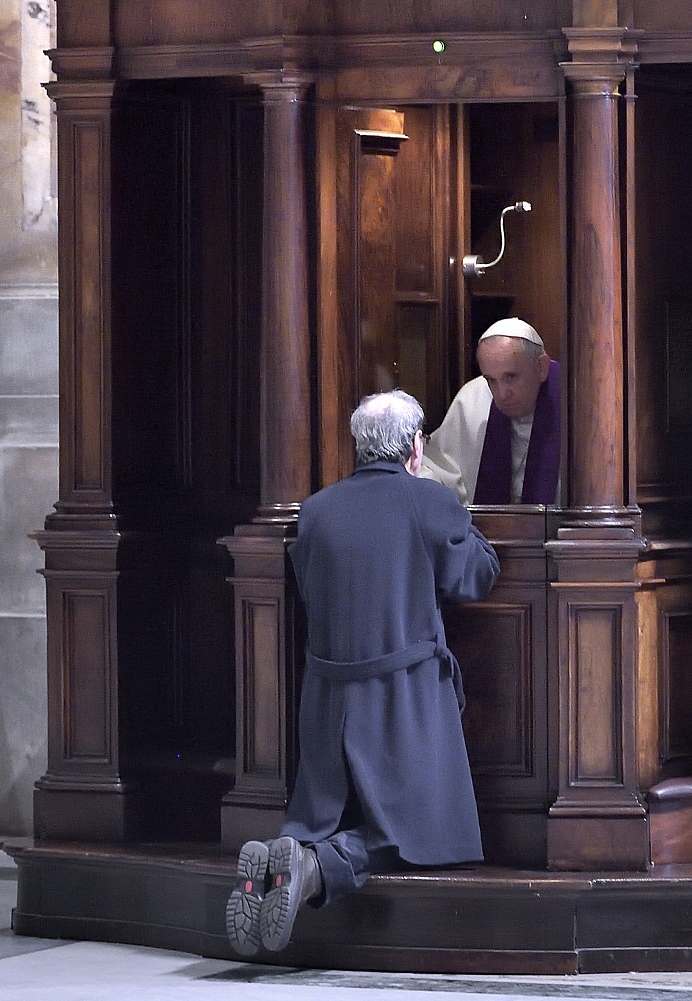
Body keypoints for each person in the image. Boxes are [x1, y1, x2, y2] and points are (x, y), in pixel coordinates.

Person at [226, 389, 500, 957]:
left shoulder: (316, 509)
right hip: (405, 700)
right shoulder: (429, 502)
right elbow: (475, 577)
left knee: (329, 813)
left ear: (358, 447)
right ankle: (315, 867)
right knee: (422, 834)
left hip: (327, 702)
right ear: (416, 447)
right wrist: (466, 524)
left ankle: (290, 853)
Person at [419, 317, 562, 505]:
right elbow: (440, 470)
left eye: (510, 377)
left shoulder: (574, 400)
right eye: (491, 380)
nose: (501, 394)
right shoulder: (473, 398)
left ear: (541, 368)